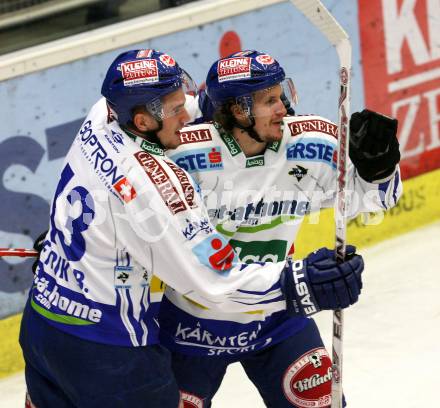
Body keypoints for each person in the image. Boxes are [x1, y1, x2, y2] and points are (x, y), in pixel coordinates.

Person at [19, 49, 365, 408]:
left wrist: (224, 102)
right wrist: (303, 282)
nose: (186, 115)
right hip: (109, 350)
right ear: (142, 121)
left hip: (44, 320)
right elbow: (213, 278)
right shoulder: (158, 186)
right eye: (174, 111)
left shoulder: (101, 116)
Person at [158, 50, 402, 407]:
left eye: (282, 93)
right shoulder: (180, 156)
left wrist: (379, 168)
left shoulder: (311, 143)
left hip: (278, 316)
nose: (283, 108)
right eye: (269, 100)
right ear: (238, 110)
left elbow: (376, 200)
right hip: (190, 328)